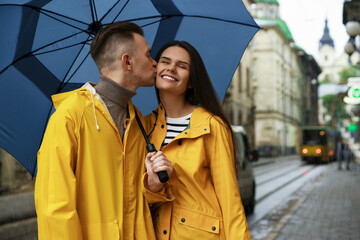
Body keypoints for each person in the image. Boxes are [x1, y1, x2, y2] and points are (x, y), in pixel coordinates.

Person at [35, 21, 173, 240]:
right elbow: (55, 211)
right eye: (148, 55)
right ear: (127, 61)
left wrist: (152, 187)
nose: (155, 63)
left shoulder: (139, 124)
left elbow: (132, 204)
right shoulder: (69, 118)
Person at [143, 41, 251, 239]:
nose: (171, 68)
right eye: (165, 62)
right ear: (155, 68)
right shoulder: (144, 128)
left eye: (182, 66)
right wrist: (152, 185)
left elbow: (229, 198)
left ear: (191, 81)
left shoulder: (211, 126)